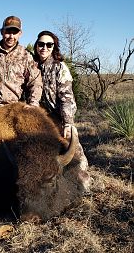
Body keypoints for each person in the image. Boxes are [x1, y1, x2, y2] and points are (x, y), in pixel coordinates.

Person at [33, 30, 91, 192]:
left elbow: (67, 97)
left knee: (73, 152)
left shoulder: (60, 67)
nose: (44, 48)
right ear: (36, 46)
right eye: (41, 44)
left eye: (48, 45)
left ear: (53, 47)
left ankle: (82, 179)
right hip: (41, 118)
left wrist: (68, 123)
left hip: (60, 116)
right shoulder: (33, 65)